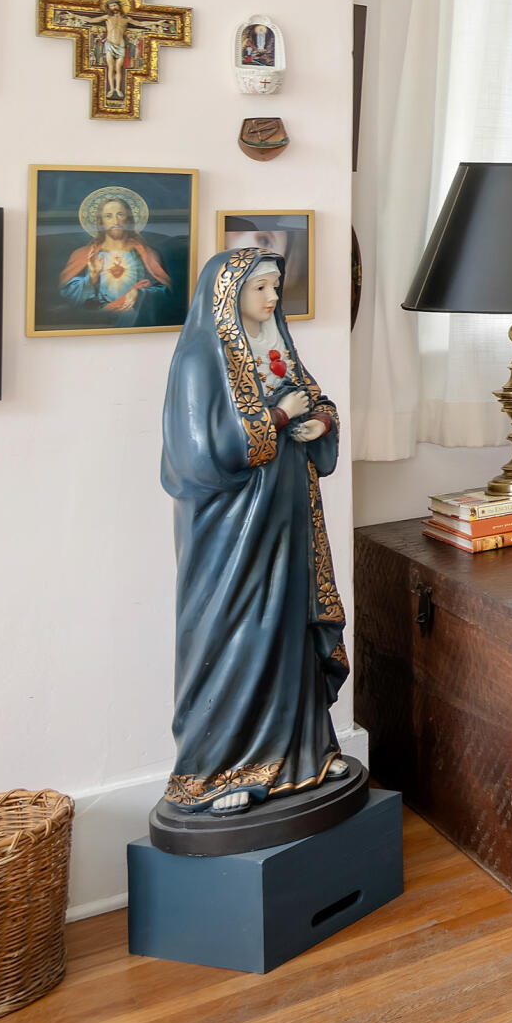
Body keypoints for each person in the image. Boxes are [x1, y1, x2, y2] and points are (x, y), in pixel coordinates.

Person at [158, 249, 349, 821]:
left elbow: (310, 401)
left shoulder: (274, 348)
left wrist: (320, 420)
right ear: (228, 294)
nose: (272, 300)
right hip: (230, 531)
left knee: (291, 624)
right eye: (261, 288)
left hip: (287, 512)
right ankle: (220, 769)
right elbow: (197, 458)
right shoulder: (199, 361)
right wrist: (282, 418)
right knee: (236, 634)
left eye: (275, 288)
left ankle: (306, 753)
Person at [59, 186, 176, 322]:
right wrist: (91, 277)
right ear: (100, 221)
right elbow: (67, 297)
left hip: (136, 318)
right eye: (108, 216)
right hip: (96, 319)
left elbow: (166, 292)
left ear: (129, 219)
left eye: (120, 214)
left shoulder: (148, 254)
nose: (115, 221)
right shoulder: (84, 254)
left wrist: (139, 294)